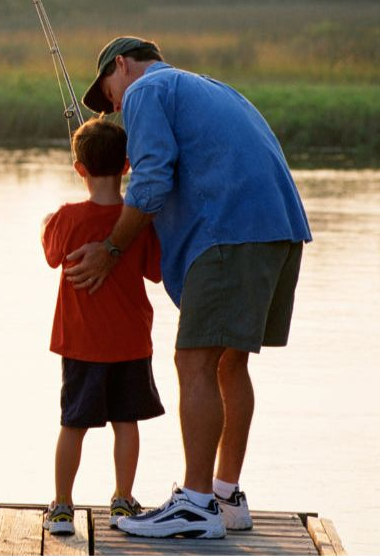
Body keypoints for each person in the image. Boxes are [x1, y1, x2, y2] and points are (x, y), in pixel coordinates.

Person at [67, 37, 312, 539]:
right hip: (280, 228)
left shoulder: (144, 91)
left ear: (123, 65)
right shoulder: (209, 87)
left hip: (232, 231)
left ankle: (196, 505)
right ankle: (224, 496)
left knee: (193, 360)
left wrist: (111, 249)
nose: (112, 107)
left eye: (107, 92)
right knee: (229, 361)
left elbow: (152, 179)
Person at [40, 118, 164, 536]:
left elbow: (50, 253)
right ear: (127, 165)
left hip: (81, 344)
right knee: (126, 422)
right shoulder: (139, 223)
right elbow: (156, 271)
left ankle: (61, 507)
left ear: (80, 170)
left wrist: (47, 223)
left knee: (72, 424)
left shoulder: (66, 218)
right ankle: (123, 501)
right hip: (130, 343)